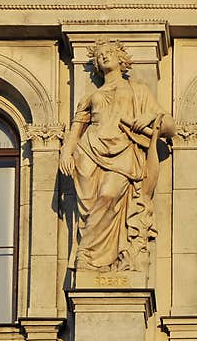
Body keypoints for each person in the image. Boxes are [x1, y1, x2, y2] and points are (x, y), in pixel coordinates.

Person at [59, 39, 176, 273]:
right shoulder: (91, 97)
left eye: (109, 52)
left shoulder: (138, 90)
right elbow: (76, 128)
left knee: (109, 195)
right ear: (96, 64)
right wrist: (66, 151)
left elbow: (170, 127)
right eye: (100, 54)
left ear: (121, 59)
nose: (104, 56)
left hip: (123, 150)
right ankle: (87, 260)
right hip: (90, 150)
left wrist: (152, 119)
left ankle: (93, 254)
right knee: (93, 205)